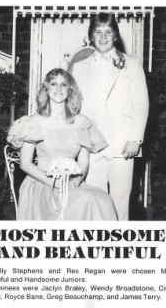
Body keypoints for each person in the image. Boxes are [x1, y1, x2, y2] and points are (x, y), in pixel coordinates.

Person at [7, 69, 117, 220]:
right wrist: (53, 182)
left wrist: (78, 179)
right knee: (87, 200)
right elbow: (25, 164)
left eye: (63, 85)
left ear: (70, 90)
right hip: (42, 183)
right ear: (46, 89)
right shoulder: (34, 122)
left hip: (72, 183)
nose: (58, 89)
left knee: (103, 200)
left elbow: (83, 161)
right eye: (53, 84)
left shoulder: (81, 122)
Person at [70, 13, 150, 220]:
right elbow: (76, 107)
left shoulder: (132, 64)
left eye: (108, 32)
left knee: (119, 204)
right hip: (92, 146)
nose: (103, 37)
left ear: (115, 36)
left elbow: (140, 103)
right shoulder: (79, 67)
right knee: (95, 201)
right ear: (91, 36)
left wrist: (136, 139)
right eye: (98, 32)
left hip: (122, 144)